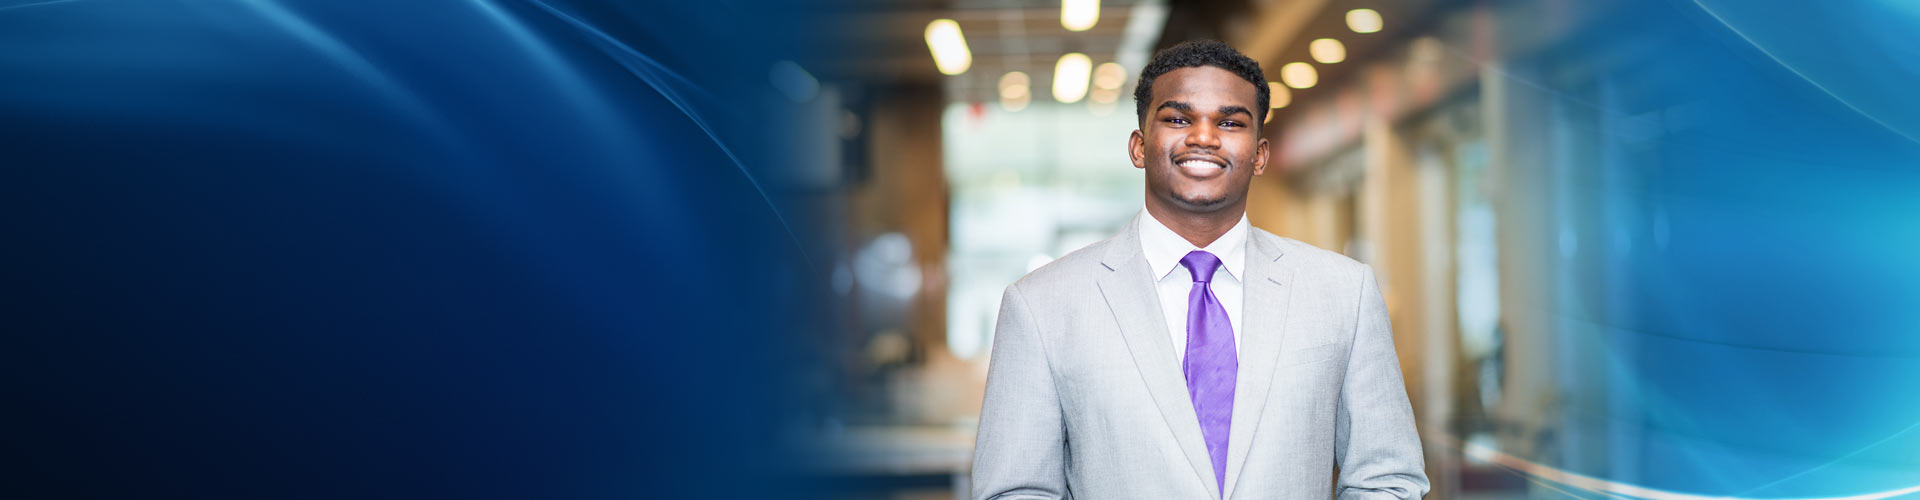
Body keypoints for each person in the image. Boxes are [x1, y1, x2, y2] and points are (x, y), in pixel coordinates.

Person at [970, 40, 1429, 500]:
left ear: (1260, 154)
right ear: (1138, 146)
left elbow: (1388, 479)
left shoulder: (1343, 293)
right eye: (1177, 119)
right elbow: (1015, 490)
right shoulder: (1040, 305)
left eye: (1230, 122)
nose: (1204, 137)